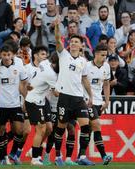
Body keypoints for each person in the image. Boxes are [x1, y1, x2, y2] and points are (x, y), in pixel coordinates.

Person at [54, 17, 94, 166]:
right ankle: (58, 156)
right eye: (71, 41)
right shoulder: (63, 54)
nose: (73, 43)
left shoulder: (83, 61)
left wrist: (90, 96)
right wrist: (57, 26)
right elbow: (58, 39)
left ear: (82, 45)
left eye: (76, 41)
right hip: (65, 97)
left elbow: (84, 80)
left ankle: (82, 156)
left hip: (78, 99)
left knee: (86, 126)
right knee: (61, 127)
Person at [0, 45, 28, 165]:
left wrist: (26, 100)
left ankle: (13, 153)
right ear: (1, 55)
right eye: (4, 55)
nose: (7, 57)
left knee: (20, 130)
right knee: (0, 130)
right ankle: (3, 158)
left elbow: (24, 83)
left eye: (9, 55)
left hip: (15, 104)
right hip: (0, 104)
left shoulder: (19, 66)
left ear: (13, 55)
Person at [25, 47, 58, 166]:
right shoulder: (52, 75)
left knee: (49, 128)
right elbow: (56, 93)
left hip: (42, 100)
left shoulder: (45, 63)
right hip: (34, 101)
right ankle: (35, 158)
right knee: (41, 129)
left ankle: (33, 150)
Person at [84, 44, 113, 165]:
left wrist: (106, 101)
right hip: (87, 100)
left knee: (89, 130)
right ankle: (104, 156)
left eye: (106, 55)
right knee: (96, 125)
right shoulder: (87, 66)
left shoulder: (106, 66)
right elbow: (82, 81)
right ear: (95, 54)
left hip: (98, 101)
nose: (104, 58)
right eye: (102, 55)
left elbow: (106, 84)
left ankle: (80, 156)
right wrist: (87, 97)